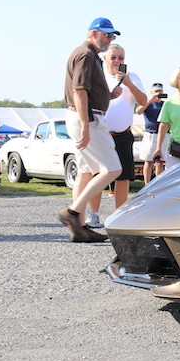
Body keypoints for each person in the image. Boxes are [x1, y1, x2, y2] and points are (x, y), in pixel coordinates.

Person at [57, 18, 122, 242]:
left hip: (83, 115)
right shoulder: (86, 54)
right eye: (106, 34)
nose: (110, 39)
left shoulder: (88, 54)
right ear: (94, 33)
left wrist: (107, 95)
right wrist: (86, 125)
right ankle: (74, 212)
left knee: (86, 172)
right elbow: (79, 90)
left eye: (112, 36)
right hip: (87, 117)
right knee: (112, 169)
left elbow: (85, 90)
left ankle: (79, 228)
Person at [86, 43, 147, 227]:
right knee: (97, 175)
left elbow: (143, 102)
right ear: (105, 58)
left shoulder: (132, 77)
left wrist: (128, 84)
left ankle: (119, 216)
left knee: (123, 177)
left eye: (121, 58)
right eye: (113, 57)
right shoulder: (98, 76)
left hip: (123, 134)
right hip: (100, 133)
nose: (117, 61)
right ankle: (94, 214)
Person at [135, 82, 167, 183]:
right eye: (156, 91)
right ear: (151, 92)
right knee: (148, 161)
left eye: (160, 91)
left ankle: (159, 184)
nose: (158, 93)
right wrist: (150, 100)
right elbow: (138, 111)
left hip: (163, 134)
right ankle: (146, 185)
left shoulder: (165, 105)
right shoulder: (147, 103)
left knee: (160, 162)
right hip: (150, 134)